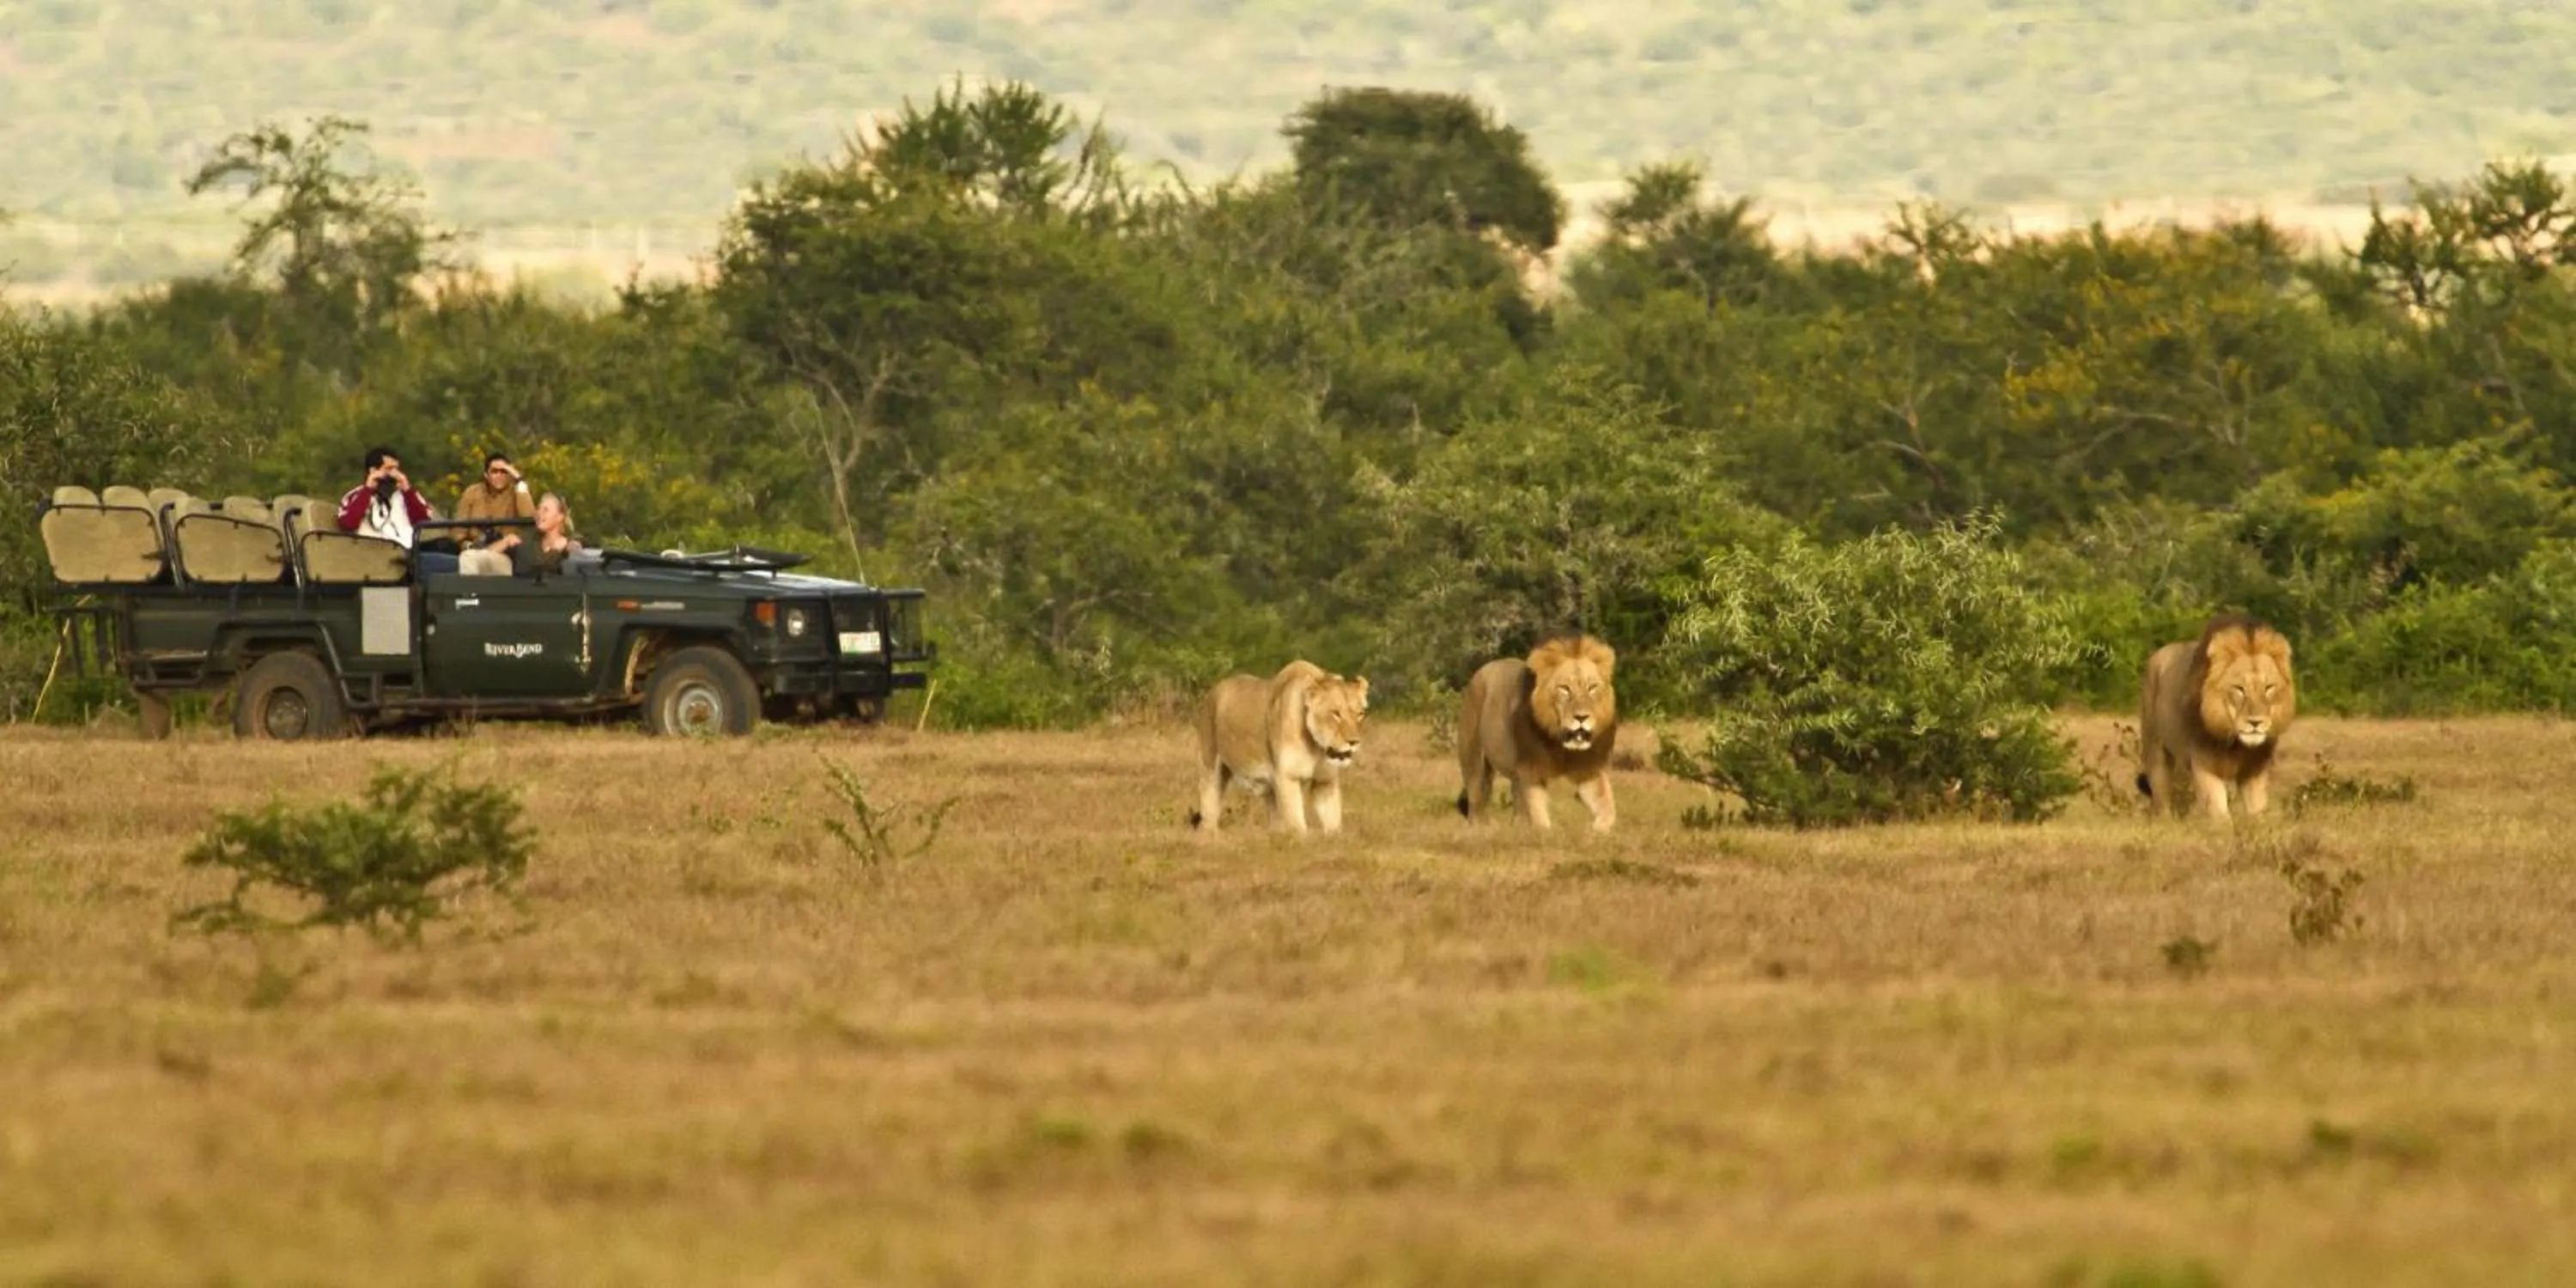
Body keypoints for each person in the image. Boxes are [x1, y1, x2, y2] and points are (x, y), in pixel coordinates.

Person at [336, 446, 456, 574]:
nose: (395, 474)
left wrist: (408, 491)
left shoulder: (405, 494)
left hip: (409, 553)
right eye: (389, 469)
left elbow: (423, 521)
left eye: (397, 469)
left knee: (452, 552)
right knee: (456, 565)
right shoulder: (356, 496)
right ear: (373, 470)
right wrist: (368, 490)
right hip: (376, 554)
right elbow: (348, 524)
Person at [453, 452, 534, 576]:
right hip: (475, 550)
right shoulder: (472, 492)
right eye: (494, 472)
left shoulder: (517, 492)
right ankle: (470, 595)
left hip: (504, 554)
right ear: (486, 475)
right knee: (468, 557)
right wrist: (469, 545)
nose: (499, 476)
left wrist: (518, 479)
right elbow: (458, 530)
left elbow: (529, 517)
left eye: (504, 472)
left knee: (472, 558)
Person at [512, 492, 586, 577]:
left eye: (546, 510)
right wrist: (555, 551)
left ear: (560, 517)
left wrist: (571, 546)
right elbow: (531, 569)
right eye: (539, 509)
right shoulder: (527, 541)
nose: (539, 513)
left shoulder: (571, 543)